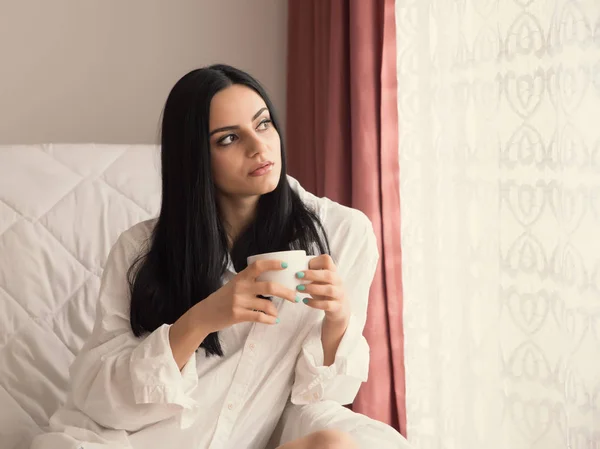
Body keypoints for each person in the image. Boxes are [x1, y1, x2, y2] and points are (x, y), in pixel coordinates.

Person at [31, 64, 408, 449]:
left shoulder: (342, 233)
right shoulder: (140, 249)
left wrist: (339, 320)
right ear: (195, 158)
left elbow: (324, 397)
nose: (258, 147)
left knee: (334, 443)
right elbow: (99, 398)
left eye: (263, 124)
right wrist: (201, 320)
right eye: (228, 139)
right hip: (116, 441)